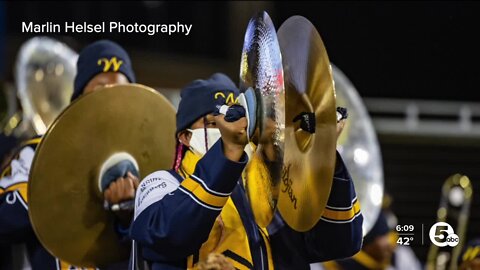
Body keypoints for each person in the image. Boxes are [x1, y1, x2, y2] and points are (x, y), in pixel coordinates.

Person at [130, 73, 363, 269]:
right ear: (185, 136)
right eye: (213, 123)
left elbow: (340, 243)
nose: (232, 131)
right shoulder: (161, 183)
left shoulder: (268, 186)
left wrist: (322, 155)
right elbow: (166, 235)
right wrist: (227, 153)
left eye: (241, 121)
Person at [0, 39, 138, 269]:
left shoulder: (148, 155)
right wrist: (62, 181)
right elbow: (5, 219)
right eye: (101, 89)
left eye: (120, 90)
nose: (111, 99)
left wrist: (128, 214)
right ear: (79, 97)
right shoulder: (37, 154)